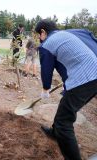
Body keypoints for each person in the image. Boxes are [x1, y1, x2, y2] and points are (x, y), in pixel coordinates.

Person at [35, 19, 97, 160]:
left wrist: (45, 89)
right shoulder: (74, 33)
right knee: (65, 107)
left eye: (39, 35)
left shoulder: (47, 44)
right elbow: (70, 58)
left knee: (64, 122)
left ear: (43, 32)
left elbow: (47, 69)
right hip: (91, 75)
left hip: (87, 76)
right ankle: (55, 132)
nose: (39, 38)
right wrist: (68, 82)